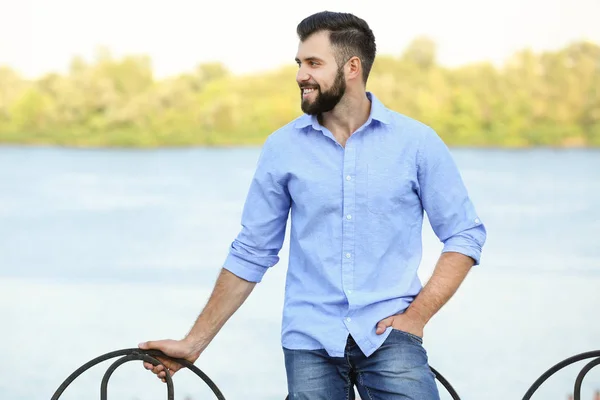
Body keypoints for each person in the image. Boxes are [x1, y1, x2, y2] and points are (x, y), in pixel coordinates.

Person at [138, 10, 487, 400]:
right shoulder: (282, 148)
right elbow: (252, 252)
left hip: (390, 338)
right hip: (310, 342)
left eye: (314, 63)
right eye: (299, 63)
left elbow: (464, 235)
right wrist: (193, 344)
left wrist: (416, 318)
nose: (301, 74)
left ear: (352, 67)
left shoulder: (416, 143)